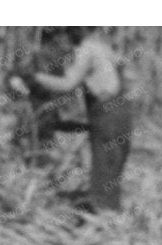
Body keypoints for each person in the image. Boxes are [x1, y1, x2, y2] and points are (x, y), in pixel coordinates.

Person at [27, 27, 134, 212]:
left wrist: (34, 78)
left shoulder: (87, 49)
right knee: (113, 165)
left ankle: (104, 216)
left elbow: (68, 84)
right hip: (121, 109)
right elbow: (126, 77)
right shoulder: (104, 47)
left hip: (106, 112)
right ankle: (112, 212)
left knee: (104, 166)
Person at [7, 28, 82, 168]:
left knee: (42, 134)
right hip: (37, 102)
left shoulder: (54, 55)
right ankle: (36, 162)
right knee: (37, 132)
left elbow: (60, 83)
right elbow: (20, 76)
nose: (64, 43)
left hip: (45, 104)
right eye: (61, 39)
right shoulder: (38, 54)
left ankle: (39, 162)